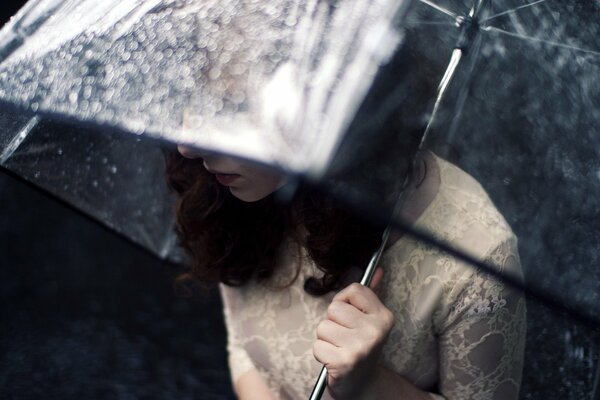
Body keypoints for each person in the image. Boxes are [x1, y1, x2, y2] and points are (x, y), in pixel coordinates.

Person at [166, 142, 526, 400]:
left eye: (232, 103)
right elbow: (243, 345)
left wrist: (369, 386)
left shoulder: (478, 261)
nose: (186, 145)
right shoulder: (227, 187)